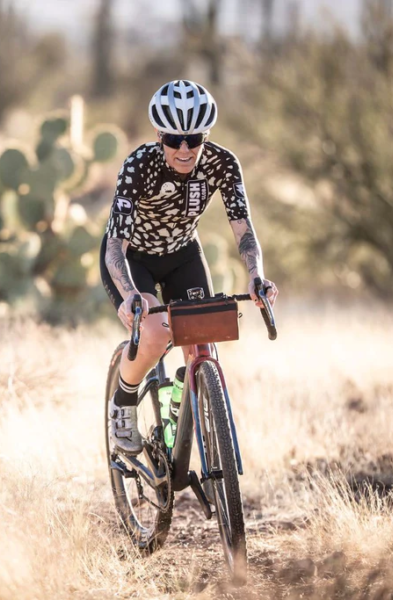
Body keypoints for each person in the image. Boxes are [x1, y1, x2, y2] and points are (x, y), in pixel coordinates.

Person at [100, 79, 278, 456]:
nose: (184, 149)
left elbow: (244, 229)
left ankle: (183, 399)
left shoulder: (223, 163)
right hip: (135, 258)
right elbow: (115, 243)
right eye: (173, 140)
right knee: (155, 335)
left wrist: (256, 275)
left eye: (194, 139)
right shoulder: (138, 166)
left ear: (205, 136)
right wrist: (130, 293)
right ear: (158, 135)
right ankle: (123, 399)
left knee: (202, 338)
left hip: (183, 253)